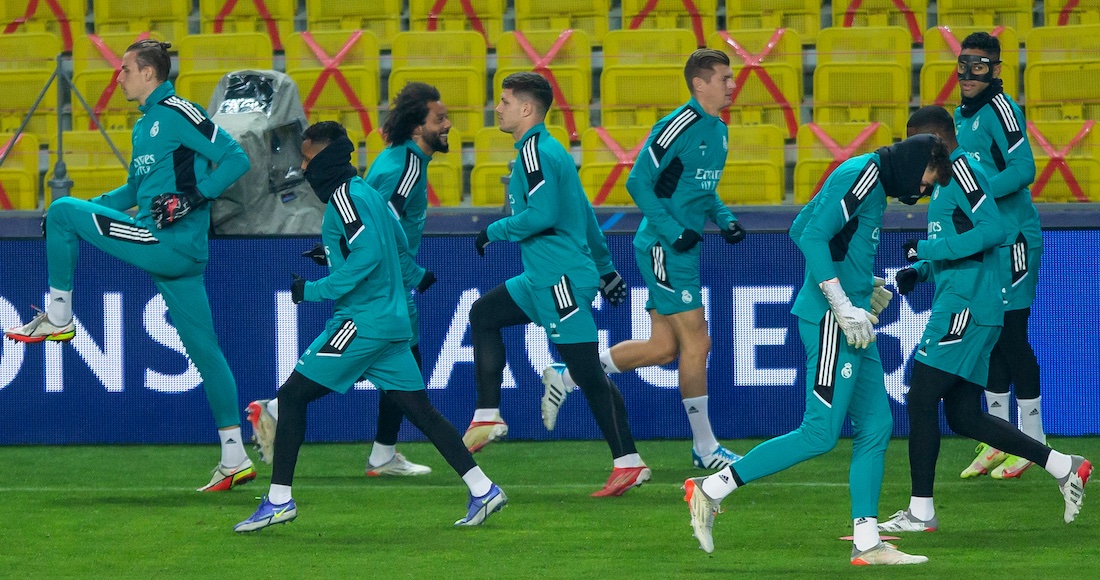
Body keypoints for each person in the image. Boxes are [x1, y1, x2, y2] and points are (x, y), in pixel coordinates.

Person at [683, 134, 952, 565]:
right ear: (914, 162)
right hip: (834, 322)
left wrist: (861, 285)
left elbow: (801, 228)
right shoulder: (864, 177)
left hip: (852, 321)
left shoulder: (869, 177)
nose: (922, 190)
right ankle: (712, 488)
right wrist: (841, 301)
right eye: (926, 179)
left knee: (877, 424)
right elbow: (811, 236)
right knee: (819, 432)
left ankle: (867, 542)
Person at [4, 39, 255, 492]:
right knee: (207, 354)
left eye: (125, 69)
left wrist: (193, 198)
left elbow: (236, 158)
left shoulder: (179, 110)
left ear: (148, 73)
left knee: (62, 210)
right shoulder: (144, 126)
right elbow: (134, 192)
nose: (118, 77)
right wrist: (84, 211)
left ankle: (59, 317)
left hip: (168, 241)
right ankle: (235, 456)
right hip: (177, 254)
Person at [235, 121, 506, 532]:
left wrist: (312, 290)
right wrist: (381, 267)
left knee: (291, 397)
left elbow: (368, 256)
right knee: (422, 412)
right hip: (394, 323)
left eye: (308, 159)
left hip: (361, 322)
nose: (304, 168)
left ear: (325, 158)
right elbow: (396, 243)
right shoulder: (368, 195)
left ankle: (278, 501)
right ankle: (483, 489)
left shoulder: (344, 198)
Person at [877, 106, 1092, 534]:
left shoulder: (964, 172)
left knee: (921, 398)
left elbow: (993, 230)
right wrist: (919, 270)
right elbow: (958, 241)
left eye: (915, 146)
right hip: (966, 302)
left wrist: (927, 251)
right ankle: (1063, 465)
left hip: (966, 308)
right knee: (963, 417)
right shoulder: (946, 181)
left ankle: (921, 512)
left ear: (934, 143)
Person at [541, 48, 747, 471]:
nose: (732, 84)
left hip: (682, 248)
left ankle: (566, 375)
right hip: (664, 247)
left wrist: (725, 219)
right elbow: (637, 182)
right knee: (698, 342)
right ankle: (706, 447)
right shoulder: (677, 125)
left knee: (663, 348)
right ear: (700, 84)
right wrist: (672, 231)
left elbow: (702, 190)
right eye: (724, 78)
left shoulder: (720, 130)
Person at [246, 82, 449, 478]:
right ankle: (279, 408)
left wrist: (337, 250)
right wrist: (414, 274)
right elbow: (384, 232)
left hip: (383, 283)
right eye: (438, 118)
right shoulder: (407, 167)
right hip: (384, 288)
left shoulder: (399, 160)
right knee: (394, 364)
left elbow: (363, 228)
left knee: (396, 364)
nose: (447, 125)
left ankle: (381, 453)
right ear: (416, 127)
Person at [462, 72, 647, 497]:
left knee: (587, 373)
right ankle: (487, 415)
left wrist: (493, 230)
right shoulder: (549, 150)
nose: (498, 108)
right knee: (483, 314)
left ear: (527, 108)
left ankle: (628, 462)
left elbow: (542, 216)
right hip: (540, 277)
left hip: (559, 279)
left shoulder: (534, 153)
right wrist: (605, 268)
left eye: (505, 101)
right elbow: (583, 212)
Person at [953, 32, 1047, 480]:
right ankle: (998, 438)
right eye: (963, 65)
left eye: (979, 66)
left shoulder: (1003, 109)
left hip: (1014, 240)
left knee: (1012, 336)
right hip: (988, 240)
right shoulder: (961, 115)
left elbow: (1025, 168)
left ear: (995, 70)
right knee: (990, 335)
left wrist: (978, 194)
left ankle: (1034, 441)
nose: (969, 75)